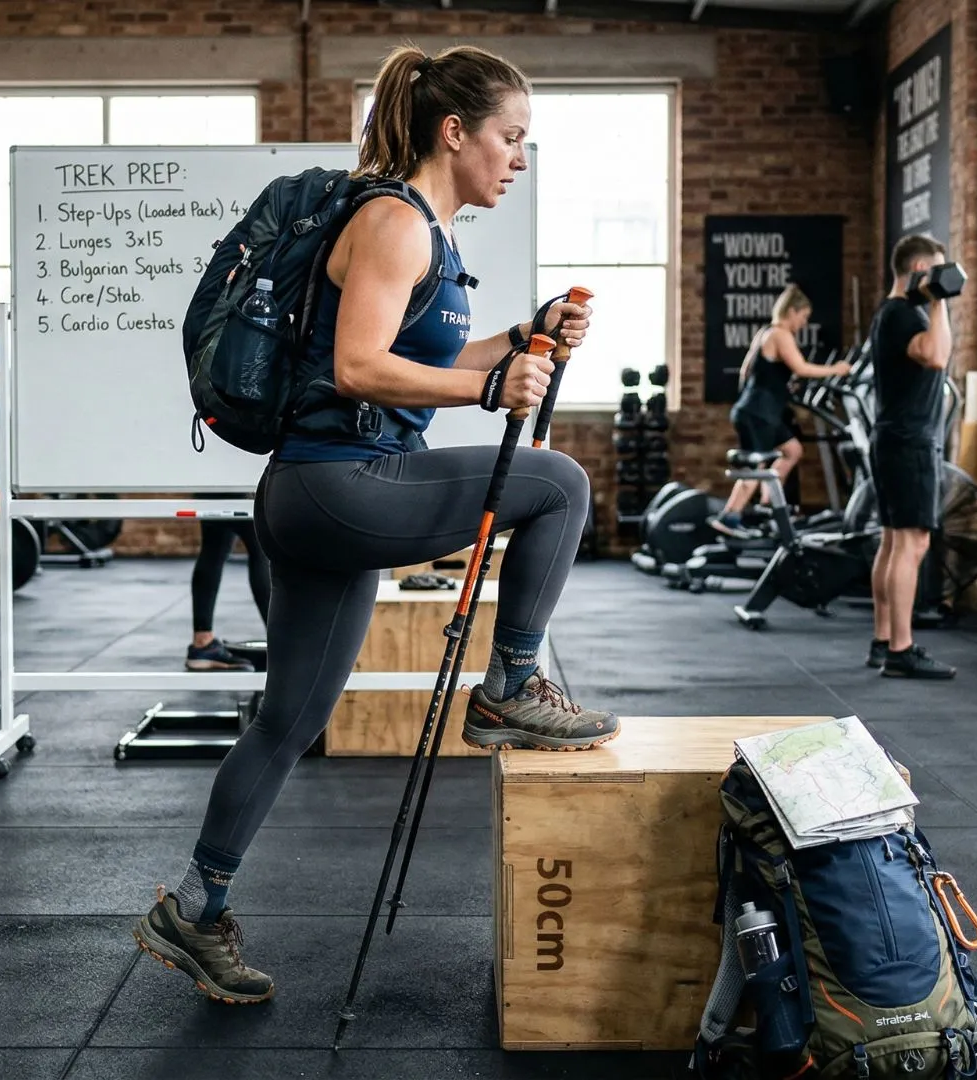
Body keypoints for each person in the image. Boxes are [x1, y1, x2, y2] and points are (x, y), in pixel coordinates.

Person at [132, 44, 614, 1005]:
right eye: (510, 138)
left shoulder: (412, 222)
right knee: (558, 485)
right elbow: (360, 368)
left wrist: (522, 335)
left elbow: (413, 351)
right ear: (455, 132)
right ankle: (512, 682)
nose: (518, 159)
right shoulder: (398, 220)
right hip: (343, 482)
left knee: (290, 720)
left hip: (316, 494)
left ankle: (195, 905)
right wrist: (486, 385)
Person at [865, 234, 956, 679]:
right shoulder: (903, 313)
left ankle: (883, 640)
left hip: (894, 439)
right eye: (937, 269)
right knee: (912, 543)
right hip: (909, 442)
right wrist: (939, 301)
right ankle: (901, 648)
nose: (943, 276)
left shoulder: (892, 313)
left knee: (892, 540)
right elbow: (937, 355)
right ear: (920, 268)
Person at [710, 284, 850, 538]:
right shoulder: (780, 334)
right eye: (803, 317)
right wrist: (837, 370)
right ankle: (729, 517)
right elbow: (802, 368)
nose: (804, 323)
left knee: (792, 450)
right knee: (757, 467)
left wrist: (779, 385)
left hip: (760, 411)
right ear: (792, 312)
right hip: (759, 413)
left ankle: (767, 507)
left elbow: (747, 371)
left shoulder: (766, 333)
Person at [186, 515, 271, 671]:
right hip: (237, 492)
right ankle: (286, 644)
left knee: (214, 545)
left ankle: (202, 643)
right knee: (261, 544)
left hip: (211, 492)